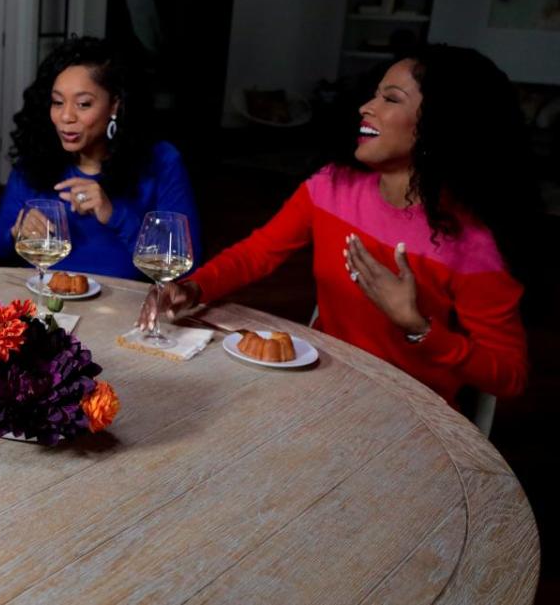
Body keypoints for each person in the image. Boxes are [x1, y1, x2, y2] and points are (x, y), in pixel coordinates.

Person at [145, 45, 536, 406]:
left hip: (409, 412)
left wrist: (417, 326)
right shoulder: (332, 187)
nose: (367, 107)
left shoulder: (473, 246)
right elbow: (257, 253)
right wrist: (194, 287)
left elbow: (510, 376)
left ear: (441, 124)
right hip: (323, 384)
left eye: (391, 99)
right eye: (375, 93)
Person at [0, 36, 201, 279]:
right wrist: (16, 234)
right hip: (48, 307)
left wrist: (114, 214)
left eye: (83, 104)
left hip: (125, 311)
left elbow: (187, 269)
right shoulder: (35, 161)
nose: (66, 116)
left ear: (114, 106)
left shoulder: (162, 162)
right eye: (57, 102)